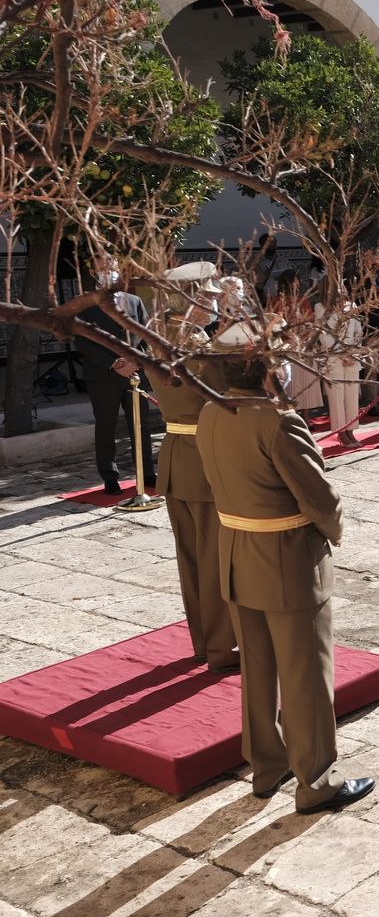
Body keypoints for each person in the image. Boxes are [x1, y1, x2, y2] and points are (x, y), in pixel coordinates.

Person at [197, 325, 373, 813]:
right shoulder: (277, 421)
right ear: (268, 367)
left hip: (236, 556)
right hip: (288, 558)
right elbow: (320, 498)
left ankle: (266, 767)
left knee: (258, 671)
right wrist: (332, 533)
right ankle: (317, 781)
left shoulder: (211, 412)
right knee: (306, 675)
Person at [142, 263, 237, 671]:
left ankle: (204, 642)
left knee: (191, 561)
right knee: (215, 560)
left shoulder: (158, 337)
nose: (215, 302)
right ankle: (222, 649)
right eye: (210, 295)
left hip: (177, 456)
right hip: (204, 458)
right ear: (191, 300)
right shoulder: (198, 347)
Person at [77, 258, 153, 494]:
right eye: (103, 269)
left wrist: (136, 361)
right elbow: (83, 342)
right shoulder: (84, 305)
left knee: (140, 425)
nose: (109, 273)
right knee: (106, 426)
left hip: (134, 374)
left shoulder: (135, 301)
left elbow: (147, 336)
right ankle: (110, 476)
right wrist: (113, 363)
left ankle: (147, 471)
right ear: (93, 272)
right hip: (103, 375)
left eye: (113, 268)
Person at [314, 283, 363, 449]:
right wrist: (342, 353)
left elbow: (358, 331)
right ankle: (341, 432)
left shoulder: (352, 306)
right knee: (337, 397)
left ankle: (351, 430)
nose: (342, 289)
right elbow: (324, 335)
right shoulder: (321, 307)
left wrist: (352, 351)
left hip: (352, 356)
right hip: (334, 358)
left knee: (351, 395)